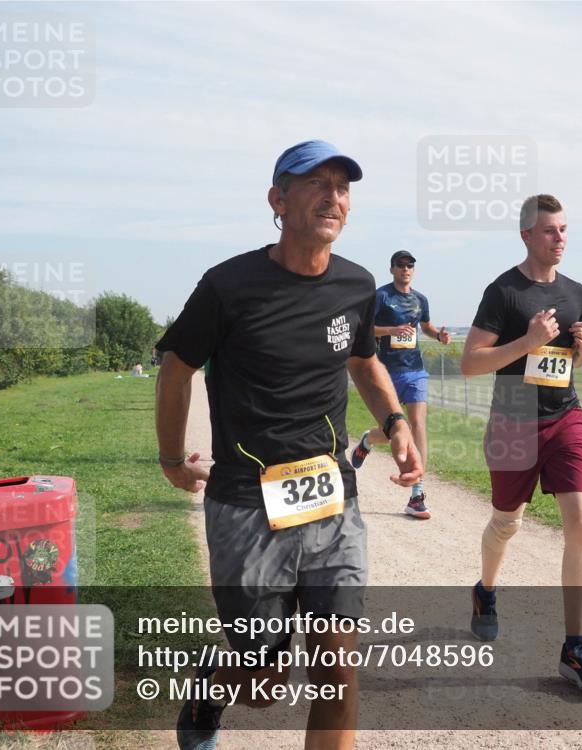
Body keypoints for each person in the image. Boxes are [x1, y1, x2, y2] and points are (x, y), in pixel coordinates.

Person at [155, 140, 423, 750]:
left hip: (332, 500)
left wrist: (396, 421)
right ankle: (213, 688)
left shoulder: (357, 286)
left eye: (343, 187)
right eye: (316, 183)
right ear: (278, 199)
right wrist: (172, 460)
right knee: (264, 679)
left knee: (336, 670)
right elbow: (176, 368)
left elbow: (364, 361)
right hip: (248, 503)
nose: (334, 197)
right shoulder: (228, 286)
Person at [460, 194, 582, 691]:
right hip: (512, 419)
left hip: (565, 416)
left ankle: (575, 645)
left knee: (581, 523)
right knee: (506, 523)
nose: (560, 238)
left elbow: (565, 365)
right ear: (526, 235)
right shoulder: (502, 291)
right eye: (550, 231)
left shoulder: (576, 292)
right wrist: (526, 341)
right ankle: (486, 589)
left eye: (564, 229)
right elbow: (471, 362)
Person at [349, 250, 450, 519]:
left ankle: (417, 494)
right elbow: (365, 328)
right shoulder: (381, 296)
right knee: (395, 429)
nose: (406, 269)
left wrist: (438, 334)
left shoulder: (420, 299)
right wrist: (390, 331)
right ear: (392, 269)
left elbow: (425, 326)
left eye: (410, 266)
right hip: (387, 373)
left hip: (415, 371)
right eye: (401, 265)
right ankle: (369, 439)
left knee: (417, 427)